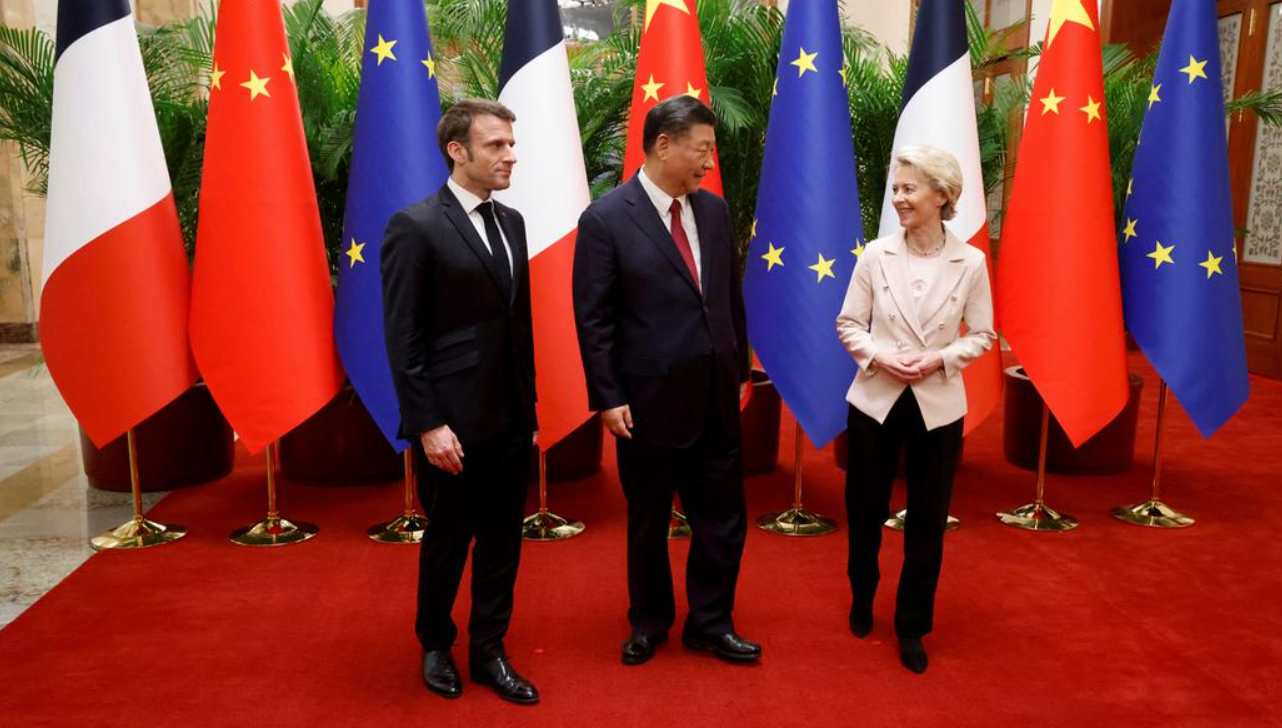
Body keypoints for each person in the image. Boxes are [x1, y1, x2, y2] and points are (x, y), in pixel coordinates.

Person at [573, 95, 759, 667]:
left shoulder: (714, 211)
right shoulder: (606, 219)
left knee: (722, 520)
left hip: (715, 396)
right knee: (648, 521)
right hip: (646, 402)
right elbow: (594, 318)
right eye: (702, 149)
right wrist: (607, 396)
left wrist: (739, 368)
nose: (709, 161)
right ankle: (649, 622)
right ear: (663, 145)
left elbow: (728, 297)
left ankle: (711, 622)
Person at [381, 99, 539, 705]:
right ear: (457, 151)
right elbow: (404, 338)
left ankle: (490, 649)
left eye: (510, 144)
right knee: (448, 541)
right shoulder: (415, 226)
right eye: (496, 145)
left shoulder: (514, 222)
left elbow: (519, 327)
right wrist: (428, 424)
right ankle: (435, 644)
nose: (510, 156)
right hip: (450, 425)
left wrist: (529, 415)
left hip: (509, 420)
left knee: (503, 543)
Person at [835, 145, 995, 674]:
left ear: (942, 195)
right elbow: (848, 323)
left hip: (937, 404)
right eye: (896, 189)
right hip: (875, 399)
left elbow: (984, 334)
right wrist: (880, 356)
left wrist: (941, 358)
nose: (899, 198)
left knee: (927, 521)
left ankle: (911, 625)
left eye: (909, 189)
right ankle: (863, 595)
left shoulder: (971, 262)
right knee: (865, 510)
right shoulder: (875, 255)